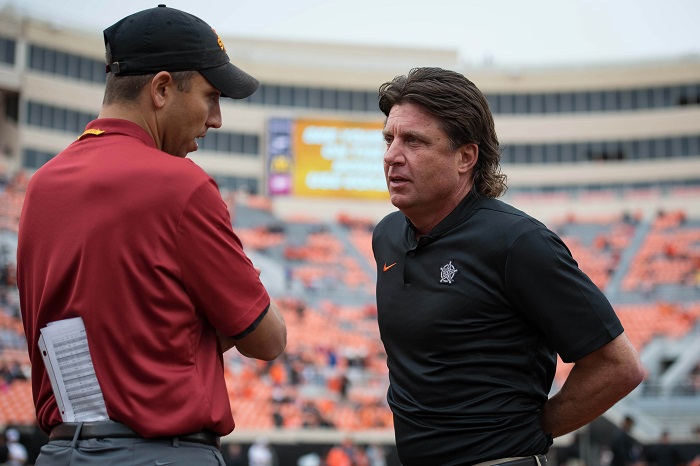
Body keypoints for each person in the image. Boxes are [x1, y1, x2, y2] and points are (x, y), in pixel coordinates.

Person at [17, 5, 286, 466]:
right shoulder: (181, 183)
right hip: (161, 454)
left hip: (60, 450)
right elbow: (268, 339)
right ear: (161, 89)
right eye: (211, 95)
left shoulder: (41, 185)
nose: (216, 118)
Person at [372, 67, 645, 466]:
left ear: (466, 157)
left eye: (413, 141)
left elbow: (619, 367)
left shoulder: (518, 242)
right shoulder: (386, 235)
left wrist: (532, 431)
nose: (392, 155)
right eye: (389, 139)